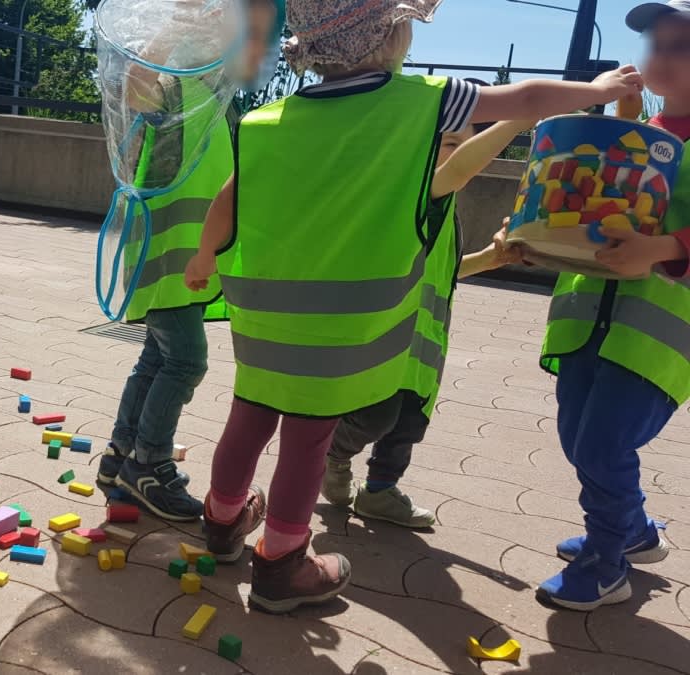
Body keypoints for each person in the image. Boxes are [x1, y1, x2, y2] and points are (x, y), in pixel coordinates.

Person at [183, 0, 642, 614]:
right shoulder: (425, 99)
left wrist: (203, 259)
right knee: (307, 441)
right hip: (344, 327)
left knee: (248, 417)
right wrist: (597, 88)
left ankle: (221, 519)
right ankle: (283, 564)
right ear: (389, 35)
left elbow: (229, 198)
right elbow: (526, 101)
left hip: (262, 315)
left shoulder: (266, 120)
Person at [532, 0, 690, 612]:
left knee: (603, 444)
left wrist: (663, 247)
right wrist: (533, 236)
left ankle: (607, 559)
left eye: (681, 47)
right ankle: (637, 531)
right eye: (657, 46)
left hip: (654, 337)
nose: (661, 59)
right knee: (578, 437)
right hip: (588, 321)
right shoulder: (637, 137)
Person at [97, 0, 281, 521]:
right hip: (164, 257)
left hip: (184, 262)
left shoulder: (211, 102)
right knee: (185, 360)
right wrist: (174, 27)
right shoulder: (176, 90)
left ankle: (121, 456)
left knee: (156, 359)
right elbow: (136, 80)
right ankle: (149, 466)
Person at [323, 109, 534, 529]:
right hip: (386, 341)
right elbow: (455, 169)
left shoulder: (448, 208)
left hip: (422, 351)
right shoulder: (419, 193)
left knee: (408, 426)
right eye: (453, 143)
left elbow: (443, 272)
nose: (465, 154)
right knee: (375, 415)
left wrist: (491, 259)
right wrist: (522, 115)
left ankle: (380, 492)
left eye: (466, 143)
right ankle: (333, 451)